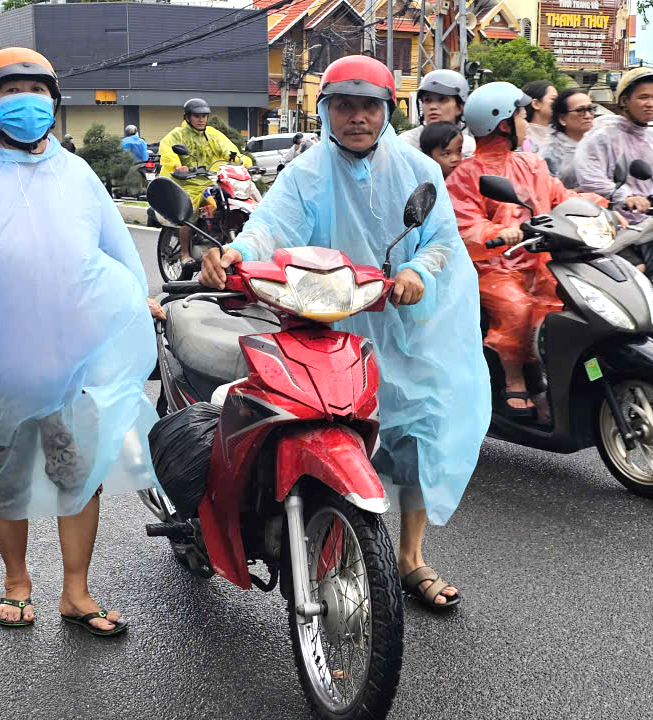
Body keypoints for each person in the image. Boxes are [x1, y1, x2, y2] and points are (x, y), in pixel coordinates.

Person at [197, 55, 490, 610]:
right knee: (336, 425)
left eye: (369, 107)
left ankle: (410, 557)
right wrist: (236, 252)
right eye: (344, 106)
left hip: (413, 321)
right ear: (326, 111)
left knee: (421, 431)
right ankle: (335, 543)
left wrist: (417, 270)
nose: (357, 117)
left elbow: (443, 239)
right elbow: (270, 226)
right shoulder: (305, 173)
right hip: (334, 316)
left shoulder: (418, 170)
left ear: (387, 111)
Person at [0, 47, 162, 635]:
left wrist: (137, 301)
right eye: (11, 92)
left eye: (36, 91)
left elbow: (116, 250)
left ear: (53, 102)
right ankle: (17, 583)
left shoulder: (75, 173)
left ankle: (76, 592)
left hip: (72, 354)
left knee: (78, 469)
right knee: (5, 468)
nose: (25, 102)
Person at [446, 82, 612, 416]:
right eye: (521, 116)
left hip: (540, 259)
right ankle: (514, 378)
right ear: (503, 124)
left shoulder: (532, 164)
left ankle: (563, 372)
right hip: (493, 268)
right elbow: (464, 226)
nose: (525, 123)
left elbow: (562, 197)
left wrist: (598, 207)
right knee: (516, 307)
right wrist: (500, 232)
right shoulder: (466, 174)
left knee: (569, 298)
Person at [574, 68, 653, 221]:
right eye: (643, 97)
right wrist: (626, 196)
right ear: (624, 101)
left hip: (652, 220)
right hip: (614, 223)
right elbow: (590, 178)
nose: (651, 104)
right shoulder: (602, 135)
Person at [158, 97, 251, 261]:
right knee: (189, 213)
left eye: (204, 116)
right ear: (187, 117)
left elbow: (228, 150)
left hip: (211, 180)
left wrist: (242, 161)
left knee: (231, 203)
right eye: (196, 116)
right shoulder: (177, 135)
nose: (201, 119)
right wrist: (177, 166)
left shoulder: (213, 134)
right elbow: (168, 151)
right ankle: (185, 254)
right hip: (186, 182)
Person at [397, 69, 476, 158]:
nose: (432, 106)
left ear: (460, 108)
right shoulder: (405, 144)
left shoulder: (468, 147)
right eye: (427, 100)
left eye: (442, 99)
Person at [539, 88, 596, 189]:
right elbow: (545, 192)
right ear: (562, 119)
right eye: (580, 111)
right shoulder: (549, 154)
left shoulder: (600, 144)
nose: (588, 116)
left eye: (591, 109)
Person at [521, 80, 557, 153]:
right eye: (554, 99)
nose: (559, 104)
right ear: (536, 104)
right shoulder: (522, 138)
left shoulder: (561, 135)